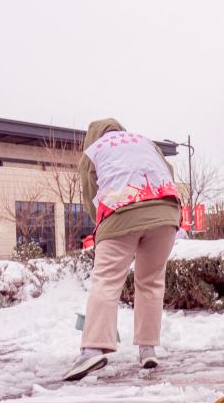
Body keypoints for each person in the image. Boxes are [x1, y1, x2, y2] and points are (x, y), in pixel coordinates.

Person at [66, 120, 181, 381]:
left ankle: (93, 348)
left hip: (121, 213)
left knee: (106, 281)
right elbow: (168, 171)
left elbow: (89, 189)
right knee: (151, 282)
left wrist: (102, 221)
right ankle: (148, 349)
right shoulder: (144, 142)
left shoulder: (95, 150)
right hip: (166, 211)